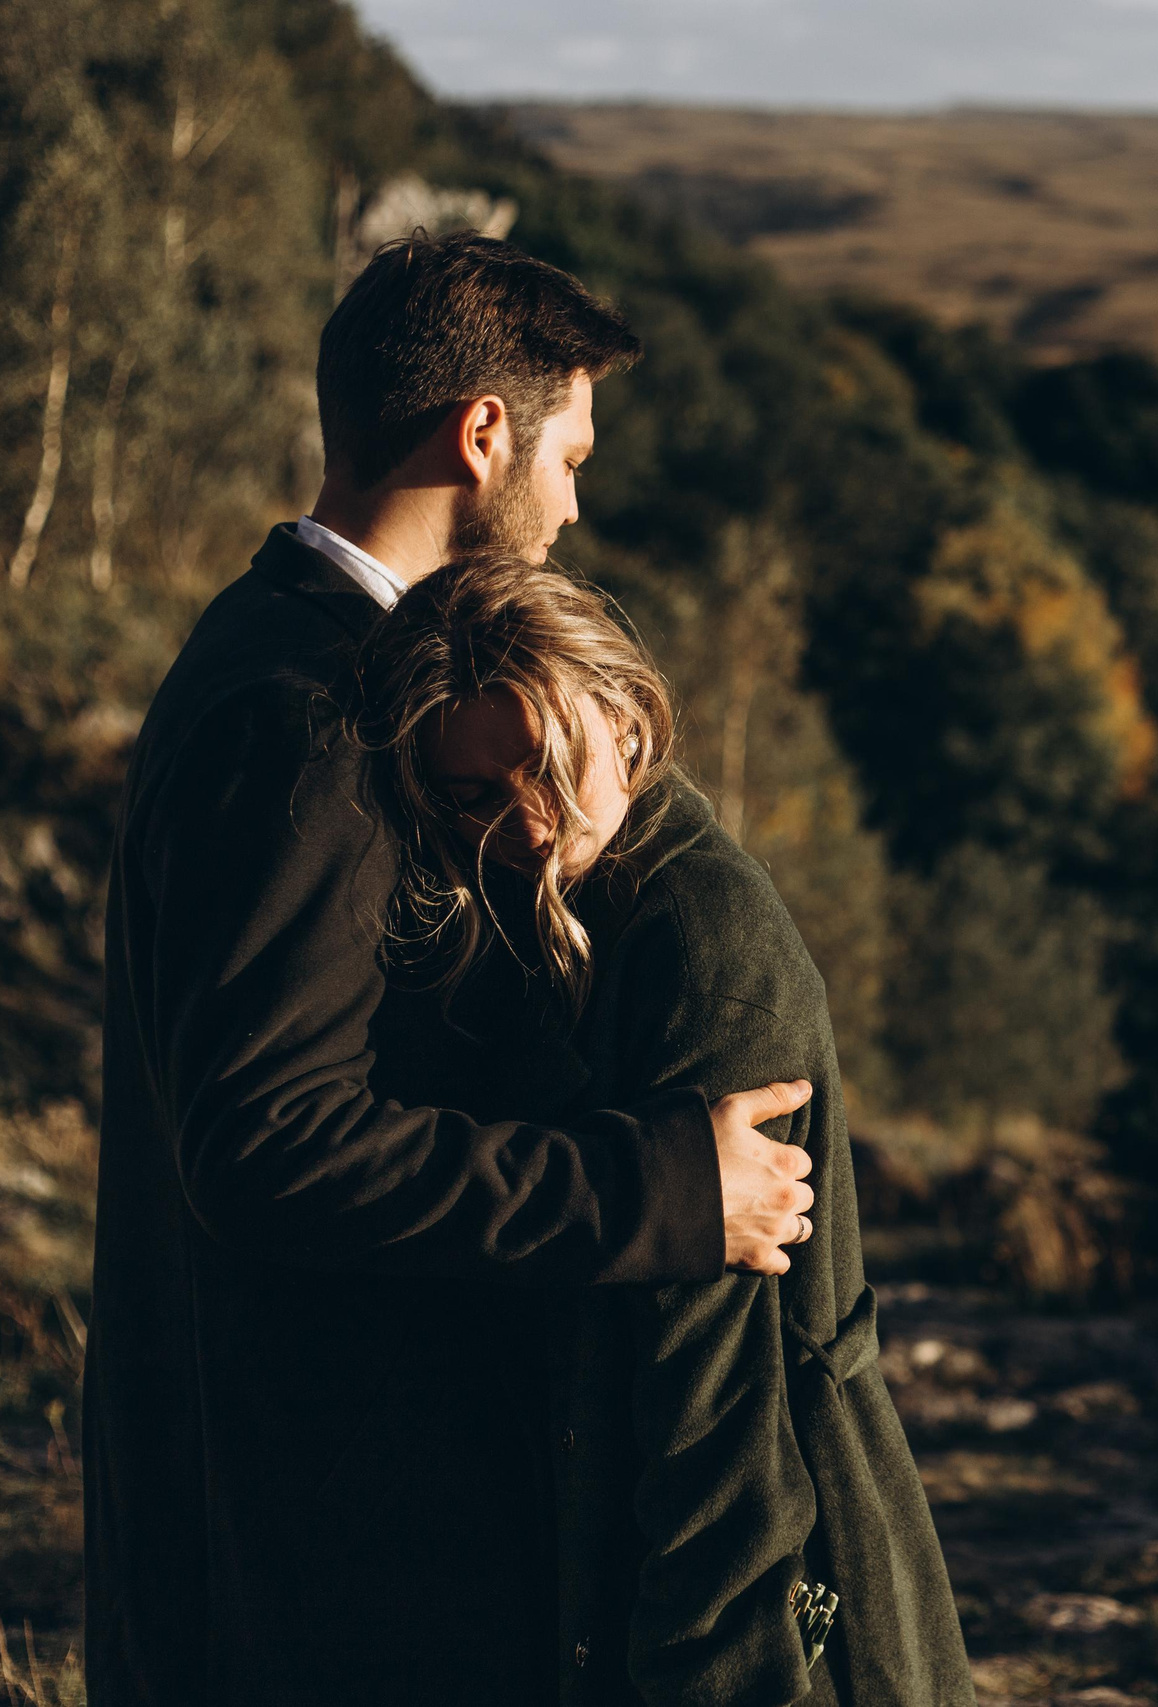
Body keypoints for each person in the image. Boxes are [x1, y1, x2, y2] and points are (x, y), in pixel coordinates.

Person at [86, 233, 822, 1705]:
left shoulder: (280, 652)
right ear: (483, 435)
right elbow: (267, 1145)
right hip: (318, 1543)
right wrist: (659, 1189)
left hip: (292, 1511)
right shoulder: (307, 723)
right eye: (571, 453)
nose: (570, 502)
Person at [353, 552, 974, 1706]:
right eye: (475, 797)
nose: (528, 827)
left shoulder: (699, 950)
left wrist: (720, 1677)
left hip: (770, 1598)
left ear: (626, 709)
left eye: (544, 765)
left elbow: (721, 1403)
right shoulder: (564, 908)